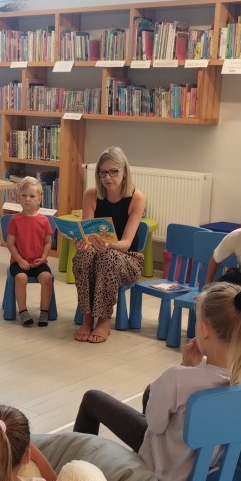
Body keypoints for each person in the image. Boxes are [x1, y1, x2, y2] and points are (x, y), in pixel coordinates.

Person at [73, 282, 241, 481]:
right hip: (215, 466)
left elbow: (155, 425)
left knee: (92, 399)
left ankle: (73, 476)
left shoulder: (178, 378)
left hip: (168, 469)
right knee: (152, 391)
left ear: (204, 330)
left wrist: (186, 365)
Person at [73, 147, 146, 344]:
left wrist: (107, 244)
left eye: (113, 171)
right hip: (98, 252)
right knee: (83, 256)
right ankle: (87, 318)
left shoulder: (136, 197)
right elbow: (87, 236)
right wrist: (81, 245)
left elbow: (126, 243)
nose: (107, 177)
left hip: (128, 258)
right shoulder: (91, 195)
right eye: (103, 172)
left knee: (107, 256)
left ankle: (104, 321)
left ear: (124, 172)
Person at [7, 177, 53, 327]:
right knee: (21, 278)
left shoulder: (44, 220)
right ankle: (23, 312)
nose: (27, 199)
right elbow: (10, 244)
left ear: (39, 199)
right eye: (24, 195)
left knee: (47, 278)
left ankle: (44, 312)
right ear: (18, 197)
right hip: (18, 262)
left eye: (32, 196)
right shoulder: (15, 220)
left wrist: (43, 258)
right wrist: (20, 260)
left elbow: (48, 242)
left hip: (38, 262)